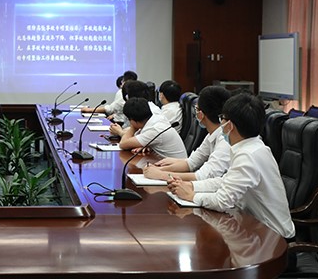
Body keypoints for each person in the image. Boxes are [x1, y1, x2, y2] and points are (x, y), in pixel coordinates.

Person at [167, 93, 295, 239]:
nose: (220, 123)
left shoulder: (248, 155)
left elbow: (223, 201)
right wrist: (191, 186)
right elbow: (225, 181)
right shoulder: (252, 146)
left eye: (222, 118)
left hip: (273, 238)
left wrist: (192, 196)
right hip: (254, 229)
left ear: (230, 125)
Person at [143, 85, 231, 181]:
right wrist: (158, 169)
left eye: (196, 109)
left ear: (201, 114)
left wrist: (161, 175)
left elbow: (203, 176)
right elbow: (191, 163)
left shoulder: (225, 141)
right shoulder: (212, 134)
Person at [119, 97, 187, 158]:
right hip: (170, 162)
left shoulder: (154, 130)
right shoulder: (156, 119)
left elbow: (123, 144)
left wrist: (132, 127)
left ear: (133, 120)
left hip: (177, 166)